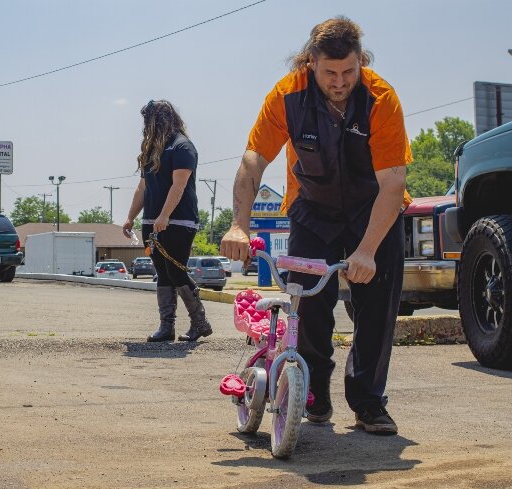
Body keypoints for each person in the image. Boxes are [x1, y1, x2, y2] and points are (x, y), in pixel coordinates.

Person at [220, 17, 412, 435]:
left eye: (349, 71)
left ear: (361, 61)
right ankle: (313, 397)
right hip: (313, 208)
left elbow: (393, 182)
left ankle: (368, 405)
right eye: (330, 73)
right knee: (306, 308)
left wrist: (365, 251)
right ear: (311, 62)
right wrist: (239, 225)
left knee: (376, 311)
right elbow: (254, 160)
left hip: (373, 211)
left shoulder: (381, 99)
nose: (340, 81)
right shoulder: (287, 95)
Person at [122, 100, 212, 343]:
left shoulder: (182, 147)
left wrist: (165, 216)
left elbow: (179, 184)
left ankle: (199, 322)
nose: (146, 127)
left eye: (149, 121)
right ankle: (166, 327)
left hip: (179, 221)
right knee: (162, 273)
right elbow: (142, 187)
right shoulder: (152, 151)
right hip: (152, 222)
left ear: (161, 120)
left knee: (176, 270)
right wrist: (130, 217)